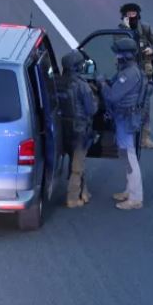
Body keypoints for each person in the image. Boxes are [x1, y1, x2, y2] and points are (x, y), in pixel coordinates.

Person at [101, 37, 147, 210]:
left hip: (126, 119)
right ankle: (129, 190)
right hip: (124, 118)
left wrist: (101, 84)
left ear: (125, 56)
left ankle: (136, 197)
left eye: (118, 54)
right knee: (125, 155)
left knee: (129, 156)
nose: (115, 57)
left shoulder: (129, 74)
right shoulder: (127, 71)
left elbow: (112, 96)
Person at [119, 3, 153, 149]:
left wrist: (152, 49)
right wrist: (124, 29)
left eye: (133, 13)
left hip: (144, 74)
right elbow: (116, 46)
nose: (131, 16)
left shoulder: (145, 28)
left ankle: (144, 138)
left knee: (145, 105)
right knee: (124, 105)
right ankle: (123, 136)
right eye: (128, 14)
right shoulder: (119, 31)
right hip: (128, 74)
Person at [60, 51, 99, 208]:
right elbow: (91, 110)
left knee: (74, 161)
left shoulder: (59, 82)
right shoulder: (83, 86)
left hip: (62, 129)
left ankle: (84, 192)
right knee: (77, 165)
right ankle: (73, 198)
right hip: (80, 130)